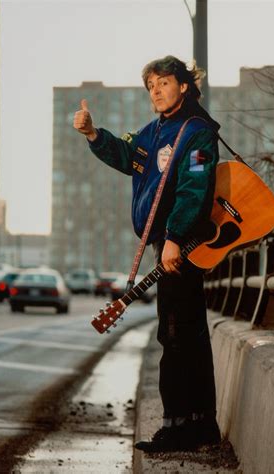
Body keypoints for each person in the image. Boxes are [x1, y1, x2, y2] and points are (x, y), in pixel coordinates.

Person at [73, 55, 221, 452]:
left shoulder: (197, 131)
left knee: (179, 331)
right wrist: (93, 135)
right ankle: (195, 424)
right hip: (168, 241)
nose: (155, 90)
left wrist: (174, 236)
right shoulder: (155, 131)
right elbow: (129, 157)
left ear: (184, 86)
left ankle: (185, 427)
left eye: (164, 82)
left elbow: (195, 186)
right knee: (177, 330)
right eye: (151, 85)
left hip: (182, 241)